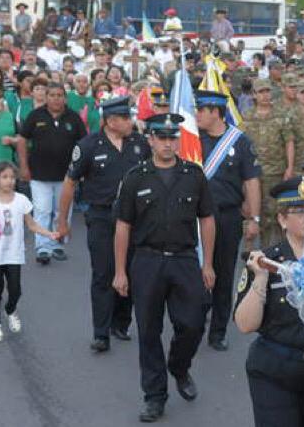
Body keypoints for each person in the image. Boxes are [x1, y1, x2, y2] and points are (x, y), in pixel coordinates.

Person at [112, 112, 216, 422]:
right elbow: (123, 226)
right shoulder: (135, 177)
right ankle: (155, 396)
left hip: (185, 259)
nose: (168, 143)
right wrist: (120, 270)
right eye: (162, 137)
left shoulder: (194, 174)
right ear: (151, 139)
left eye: (173, 138)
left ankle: (179, 366)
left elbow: (207, 219)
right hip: (147, 261)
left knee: (194, 322)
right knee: (148, 330)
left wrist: (207, 263)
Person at [236, 176, 304, 425]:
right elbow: (245, 325)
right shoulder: (265, 261)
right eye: (299, 211)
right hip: (275, 370)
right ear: (282, 219)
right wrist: (261, 279)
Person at [58, 96, 149, 352]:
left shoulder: (140, 145)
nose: (131, 122)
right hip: (101, 217)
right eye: (125, 118)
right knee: (103, 272)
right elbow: (69, 183)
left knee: (132, 270)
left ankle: (121, 322)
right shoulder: (88, 146)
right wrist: (62, 221)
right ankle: (101, 332)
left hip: (134, 220)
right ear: (110, 121)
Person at [194, 91, 261, 351]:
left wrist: (254, 218)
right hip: (194, 217)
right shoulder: (192, 138)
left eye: (202, 110)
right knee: (193, 271)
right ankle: (194, 320)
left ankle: (218, 330)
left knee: (223, 273)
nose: (197, 114)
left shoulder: (240, 142)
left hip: (226, 215)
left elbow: (251, 181)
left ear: (216, 112)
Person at [0, 161, 59, 342]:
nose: (9, 181)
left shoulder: (21, 201)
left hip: (14, 254)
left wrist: (49, 233)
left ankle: (10, 310)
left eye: (12, 177)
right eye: (5, 177)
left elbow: (31, 224)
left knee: (15, 290)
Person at [17, 83, 87, 264]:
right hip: (39, 174)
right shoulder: (35, 115)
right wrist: (23, 166)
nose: (56, 98)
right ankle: (42, 248)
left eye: (59, 95)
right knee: (42, 210)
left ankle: (58, 244)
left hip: (67, 177)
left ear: (65, 98)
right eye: (52, 95)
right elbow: (22, 140)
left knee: (62, 211)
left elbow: (84, 144)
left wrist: (82, 170)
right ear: (46, 97)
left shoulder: (73, 117)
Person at [241, 78, 294, 245]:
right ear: (254, 95)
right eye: (261, 92)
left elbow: (289, 141)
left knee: (277, 215)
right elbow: (241, 145)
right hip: (253, 176)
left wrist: (289, 168)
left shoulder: (281, 115)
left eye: (267, 91)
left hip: (276, 173)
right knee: (255, 216)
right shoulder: (247, 117)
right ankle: (254, 257)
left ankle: (278, 253)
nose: (265, 95)